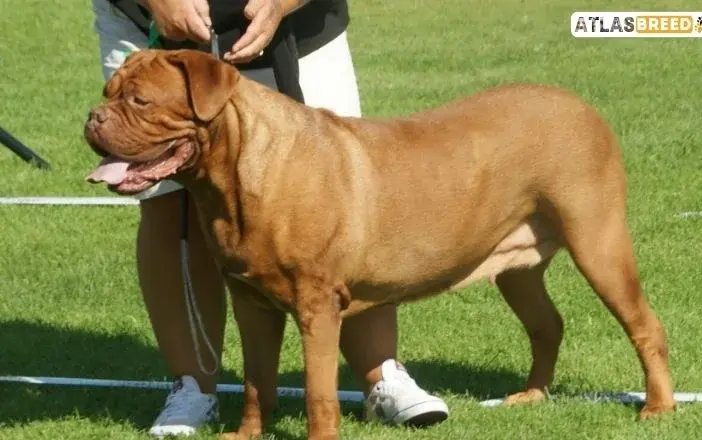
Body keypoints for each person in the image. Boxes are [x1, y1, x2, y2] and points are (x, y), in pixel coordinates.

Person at [91, 0, 449, 436]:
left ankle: (382, 373)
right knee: (169, 205)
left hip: (300, 26)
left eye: (134, 103)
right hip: (146, 19)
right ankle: (194, 388)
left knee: (339, 201)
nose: (102, 115)